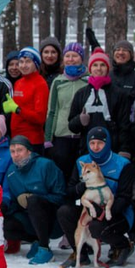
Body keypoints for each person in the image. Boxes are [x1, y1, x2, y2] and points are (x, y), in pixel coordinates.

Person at [57, 127, 135, 268]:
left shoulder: (122, 164)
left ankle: (123, 246)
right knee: (64, 212)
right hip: (89, 210)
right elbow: (69, 191)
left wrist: (106, 211)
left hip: (116, 213)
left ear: (108, 143)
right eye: (92, 143)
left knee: (97, 227)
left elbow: (126, 197)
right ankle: (80, 252)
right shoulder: (82, 162)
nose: (96, 147)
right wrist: (80, 187)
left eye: (100, 143)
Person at [3, 135, 66, 264]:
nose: (16, 154)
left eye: (20, 150)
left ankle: (44, 248)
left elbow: (60, 196)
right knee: (5, 223)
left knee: (33, 201)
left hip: (52, 219)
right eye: (12, 151)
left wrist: (34, 198)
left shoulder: (45, 165)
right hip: (29, 218)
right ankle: (35, 241)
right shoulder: (11, 172)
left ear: (29, 151)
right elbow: (15, 203)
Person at [67, 48, 135, 158]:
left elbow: (125, 125)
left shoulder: (119, 94)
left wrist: (124, 148)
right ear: (90, 68)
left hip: (113, 149)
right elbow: (71, 126)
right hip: (87, 150)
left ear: (108, 69)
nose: (98, 68)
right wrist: (79, 120)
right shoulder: (81, 94)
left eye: (102, 65)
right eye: (95, 65)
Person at [45, 42, 88, 180]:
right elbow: (52, 111)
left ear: (81, 58)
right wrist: (48, 138)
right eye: (67, 56)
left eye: (74, 56)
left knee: (81, 176)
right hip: (62, 136)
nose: (70, 59)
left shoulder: (88, 81)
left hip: (82, 135)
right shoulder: (58, 82)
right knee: (62, 176)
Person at [10, 47, 50, 152]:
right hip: (16, 138)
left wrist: (18, 110)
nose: (23, 65)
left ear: (35, 64)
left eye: (28, 62)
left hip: (32, 141)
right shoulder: (18, 83)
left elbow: (40, 118)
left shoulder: (40, 84)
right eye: (21, 62)